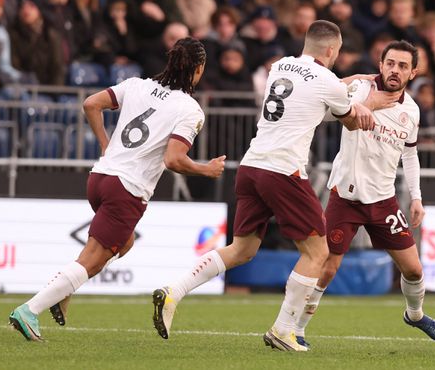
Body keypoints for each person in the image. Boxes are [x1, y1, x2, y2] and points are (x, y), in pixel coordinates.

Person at [151, 20, 376, 352]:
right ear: (332, 50)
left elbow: (312, 96)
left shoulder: (279, 66)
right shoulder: (329, 82)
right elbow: (351, 120)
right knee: (318, 253)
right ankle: (283, 330)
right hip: (283, 171)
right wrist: (365, 102)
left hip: (252, 165)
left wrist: (346, 87)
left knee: (242, 249)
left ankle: (174, 291)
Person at [8, 37, 226, 341]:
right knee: (92, 259)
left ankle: (62, 289)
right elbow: (174, 159)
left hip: (100, 178)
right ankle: (29, 310)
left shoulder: (136, 84)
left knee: (124, 244)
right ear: (198, 69)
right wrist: (206, 169)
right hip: (127, 189)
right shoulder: (189, 109)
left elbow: (90, 103)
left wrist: (104, 144)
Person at [294, 40, 435, 349]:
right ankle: (296, 329)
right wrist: (351, 87)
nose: (395, 70)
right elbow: (325, 111)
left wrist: (416, 197)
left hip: (383, 200)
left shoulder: (412, 110)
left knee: (414, 269)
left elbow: (410, 154)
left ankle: (415, 314)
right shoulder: (360, 91)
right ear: (380, 65)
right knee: (327, 267)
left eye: (403, 66)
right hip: (346, 197)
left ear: (413, 72)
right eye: (390, 63)